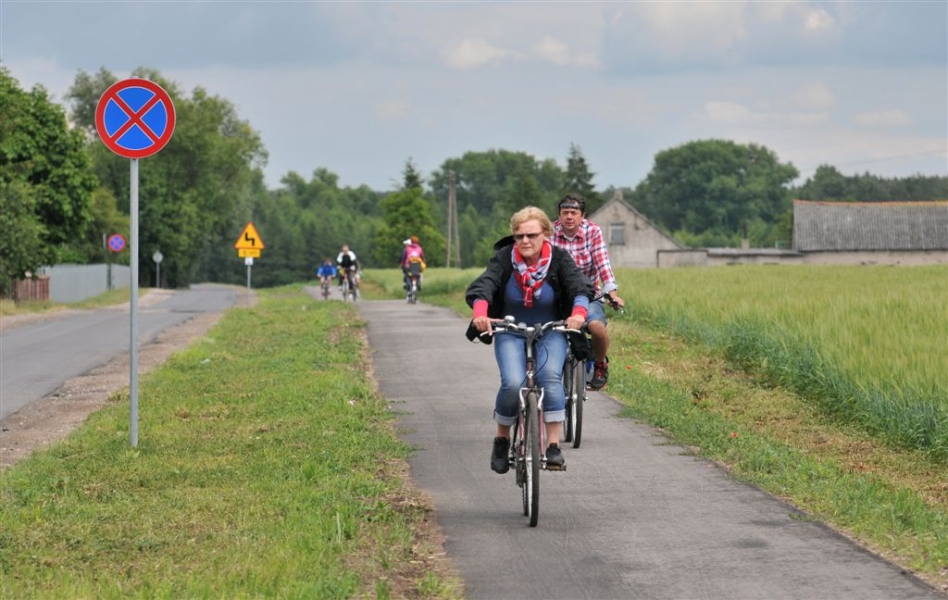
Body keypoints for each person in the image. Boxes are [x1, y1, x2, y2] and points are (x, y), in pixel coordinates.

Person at [466, 206, 594, 473]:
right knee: (514, 383)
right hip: (510, 329)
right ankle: (502, 440)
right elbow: (484, 285)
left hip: (551, 330)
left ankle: (553, 446)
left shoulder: (559, 259)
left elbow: (579, 287)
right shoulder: (504, 258)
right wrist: (480, 313)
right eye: (519, 236)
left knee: (549, 377)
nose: (525, 241)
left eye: (532, 235)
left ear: (546, 233)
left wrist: (578, 314)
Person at [551, 193, 626, 390]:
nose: (569, 217)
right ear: (559, 215)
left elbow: (603, 263)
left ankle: (600, 364)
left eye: (574, 213)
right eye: (565, 212)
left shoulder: (592, 231)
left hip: (588, 294)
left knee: (596, 327)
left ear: (582, 216)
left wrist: (612, 293)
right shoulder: (550, 232)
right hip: (558, 296)